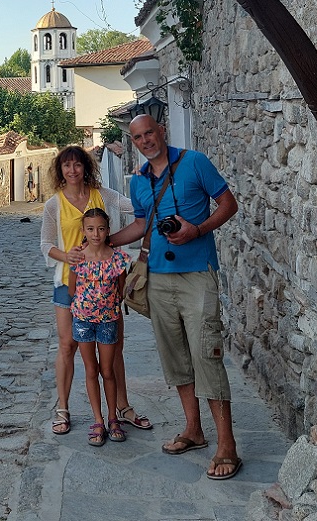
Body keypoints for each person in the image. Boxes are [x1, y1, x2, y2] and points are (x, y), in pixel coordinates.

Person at [117, 115, 242, 480]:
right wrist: (107, 242)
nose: (145, 141)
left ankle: (227, 446)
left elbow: (228, 204)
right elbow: (142, 223)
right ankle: (193, 430)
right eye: (138, 137)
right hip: (157, 279)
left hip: (197, 275)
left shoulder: (194, 162)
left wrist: (197, 229)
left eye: (149, 133)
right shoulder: (139, 181)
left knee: (208, 355)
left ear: (162, 132)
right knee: (176, 358)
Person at [39, 145, 152, 437]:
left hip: (105, 283)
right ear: (60, 170)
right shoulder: (54, 204)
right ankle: (63, 408)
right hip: (69, 281)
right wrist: (68, 256)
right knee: (67, 346)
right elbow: (45, 244)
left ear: (85, 167)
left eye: (77, 165)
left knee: (114, 350)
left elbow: (135, 206)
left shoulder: (103, 195)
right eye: (67, 166)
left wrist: (145, 180)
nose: (73, 170)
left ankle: (122, 408)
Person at [67, 207, 129, 446]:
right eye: (90, 229)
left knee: (108, 371)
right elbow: (72, 290)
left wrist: (107, 306)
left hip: (108, 321)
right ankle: (98, 419)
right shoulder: (78, 258)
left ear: (107, 231)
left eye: (101, 229)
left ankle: (114, 417)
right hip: (83, 321)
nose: (95, 234)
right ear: (83, 231)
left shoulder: (117, 259)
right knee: (91, 371)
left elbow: (121, 289)